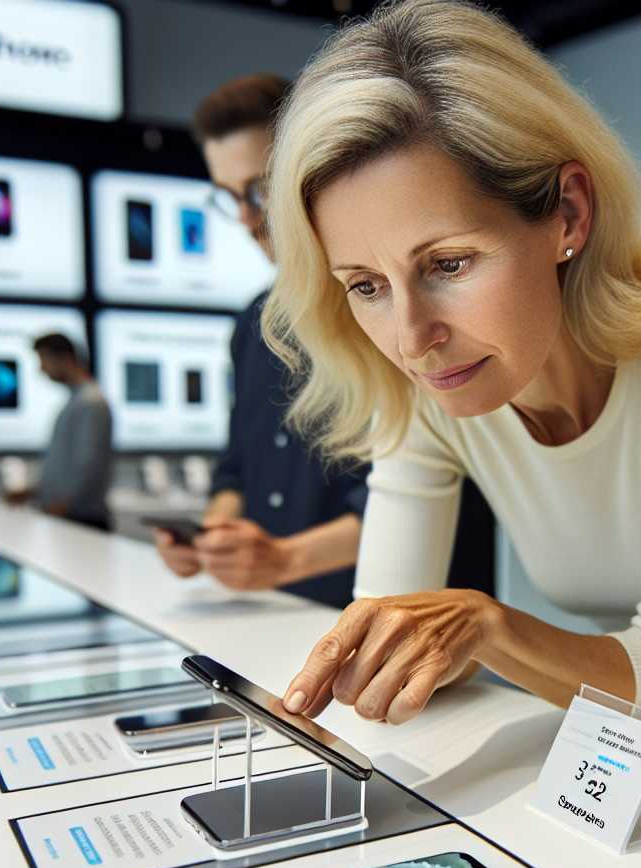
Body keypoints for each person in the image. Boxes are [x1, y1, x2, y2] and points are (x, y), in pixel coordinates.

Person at [263, 0, 641, 734]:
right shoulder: (424, 383)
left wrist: (486, 629)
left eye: (448, 263)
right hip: (620, 731)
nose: (412, 338)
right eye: (366, 286)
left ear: (568, 214)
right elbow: (388, 631)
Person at [153, 72, 497, 609]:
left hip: (412, 619)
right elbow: (236, 469)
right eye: (229, 198)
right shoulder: (251, 325)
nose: (247, 218)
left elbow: (438, 489)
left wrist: (287, 556)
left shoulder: (402, 312)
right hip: (282, 612)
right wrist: (214, 538)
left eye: (259, 190)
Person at [5, 333, 112, 531]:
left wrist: (63, 505)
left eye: (44, 361)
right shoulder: (77, 402)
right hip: (67, 516)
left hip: (81, 520)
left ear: (65, 359)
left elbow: (89, 465)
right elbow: (67, 467)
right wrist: (34, 492)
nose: (42, 369)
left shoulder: (92, 403)